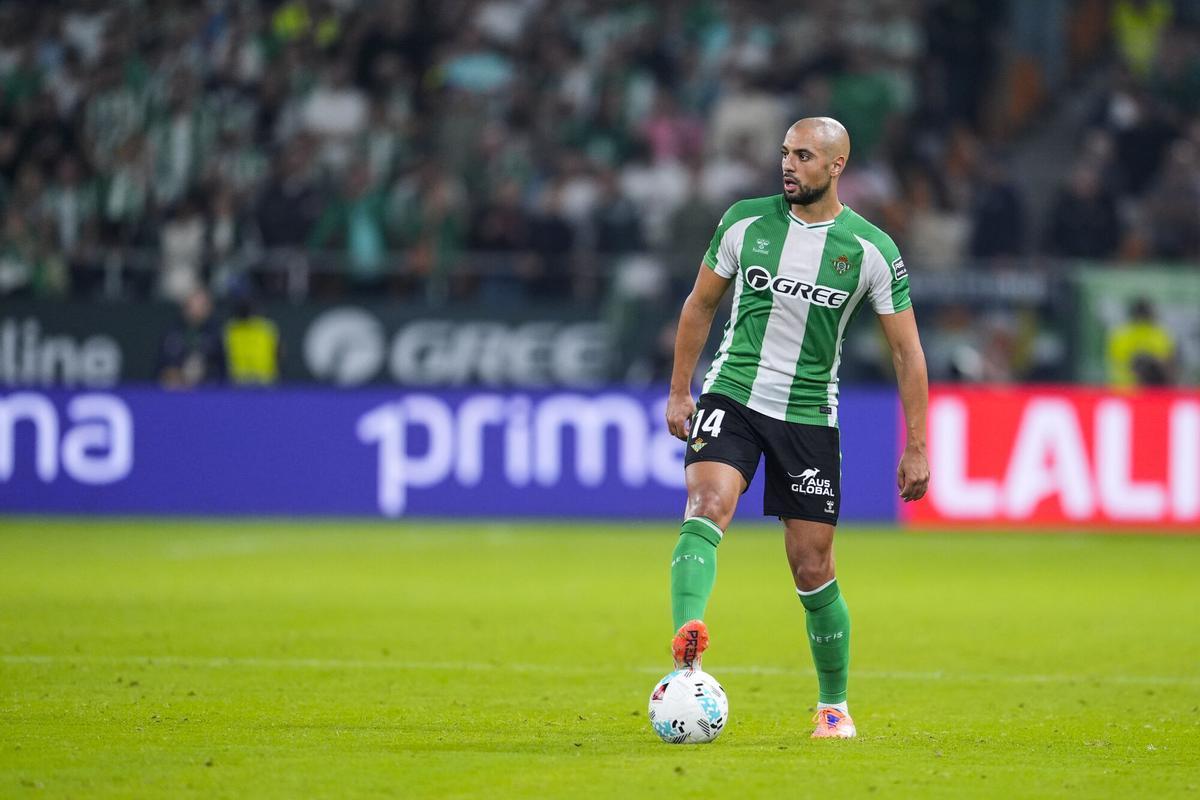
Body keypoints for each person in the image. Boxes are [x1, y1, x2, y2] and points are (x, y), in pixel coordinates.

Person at [663, 117, 929, 740]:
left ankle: (833, 706)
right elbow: (700, 304)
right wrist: (680, 389)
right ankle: (685, 660)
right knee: (706, 504)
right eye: (784, 152)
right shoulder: (743, 223)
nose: (788, 164)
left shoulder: (869, 250)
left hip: (810, 415)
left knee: (812, 565)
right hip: (733, 394)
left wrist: (916, 445)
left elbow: (907, 352)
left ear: (836, 166)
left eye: (803, 156)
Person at [1106, 297, 1175, 387]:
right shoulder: (1161, 334)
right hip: (1153, 390)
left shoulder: (1119, 335)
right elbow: (1168, 363)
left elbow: (1117, 364)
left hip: (1124, 389)